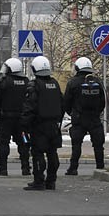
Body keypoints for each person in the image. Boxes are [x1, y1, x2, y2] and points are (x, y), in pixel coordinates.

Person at [21, 56, 64, 191]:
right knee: (52, 153)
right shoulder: (55, 84)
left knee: (38, 153)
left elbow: (30, 107)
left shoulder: (34, 86)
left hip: (39, 126)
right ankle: (51, 181)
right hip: (54, 125)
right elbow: (62, 104)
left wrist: (24, 125)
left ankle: (39, 181)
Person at [62, 57, 106, 175]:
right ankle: (100, 167)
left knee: (76, 144)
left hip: (79, 118)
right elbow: (103, 102)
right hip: (94, 119)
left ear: (77, 68)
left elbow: (66, 102)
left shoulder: (73, 82)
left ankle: (73, 168)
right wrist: (96, 112)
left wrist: (72, 113)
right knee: (98, 145)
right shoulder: (97, 81)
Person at [0, 58, 31, 176]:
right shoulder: (26, 81)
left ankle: (3, 168)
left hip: (6, 119)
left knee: (4, 143)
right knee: (24, 142)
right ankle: (26, 168)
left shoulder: (4, 81)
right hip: (22, 120)